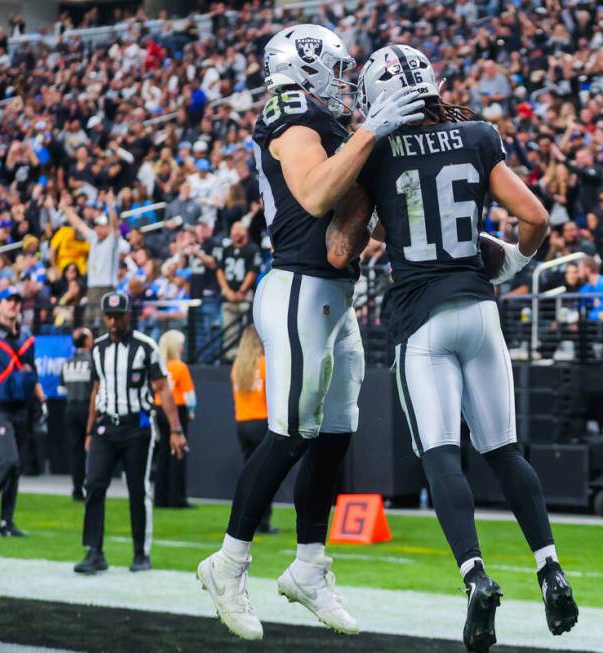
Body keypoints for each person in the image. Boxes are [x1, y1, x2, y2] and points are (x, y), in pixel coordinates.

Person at [327, 45, 578, 651]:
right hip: (480, 309)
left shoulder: (378, 150)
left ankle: (475, 576)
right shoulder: (476, 134)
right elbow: (535, 215)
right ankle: (549, 565)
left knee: (441, 457)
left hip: (422, 317)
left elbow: (341, 249)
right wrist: (514, 261)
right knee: (506, 452)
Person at [196, 24, 423, 641]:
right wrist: (372, 131)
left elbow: (347, 216)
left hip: (331, 294)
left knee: (335, 435)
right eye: (338, 67)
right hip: (297, 289)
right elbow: (315, 192)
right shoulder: (290, 109)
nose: (346, 80)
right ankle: (228, 563)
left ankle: (309, 566)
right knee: (290, 434)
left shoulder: (322, 121)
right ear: (302, 67)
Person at [74, 292, 186, 575]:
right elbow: (95, 392)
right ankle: (94, 551)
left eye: (117, 316)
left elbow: (163, 389)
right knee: (94, 485)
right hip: (105, 426)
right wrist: (89, 431)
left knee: (138, 490)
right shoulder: (97, 349)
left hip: (137, 427)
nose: (112, 322)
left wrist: (175, 429)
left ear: (128, 315)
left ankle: (140, 553)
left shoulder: (146, 347)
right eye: (108, 316)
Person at [0, 286, 46, 537]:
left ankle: (6, 521)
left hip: (21, 408)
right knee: (9, 459)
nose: (13, 305)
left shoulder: (26, 338)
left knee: (16, 467)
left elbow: (31, 370)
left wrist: (40, 398)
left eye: (17, 301)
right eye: (8, 301)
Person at [231, 327, 276, 534]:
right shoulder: (265, 365)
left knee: (249, 473)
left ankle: (246, 519)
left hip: (242, 423)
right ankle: (263, 520)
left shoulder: (238, 368)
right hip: (261, 422)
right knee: (265, 475)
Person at [64, 193, 130, 328]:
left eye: (102, 226)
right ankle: (89, 347)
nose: (98, 229)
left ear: (107, 227)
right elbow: (79, 224)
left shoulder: (112, 240)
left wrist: (110, 205)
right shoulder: (94, 238)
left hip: (107, 287)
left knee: (106, 320)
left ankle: (107, 346)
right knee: (89, 320)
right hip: (93, 287)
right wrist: (65, 208)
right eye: (97, 226)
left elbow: (114, 224)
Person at [153, 330, 196, 509]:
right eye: (180, 343)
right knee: (179, 453)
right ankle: (177, 498)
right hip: (176, 410)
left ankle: (160, 498)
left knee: (163, 453)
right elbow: (190, 396)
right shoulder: (179, 367)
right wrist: (191, 412)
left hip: (158, 409)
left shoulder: (160, 366)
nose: (182, 346)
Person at [58, 327, 94, 502]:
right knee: (92, 449)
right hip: (88, 409)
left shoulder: (68, 363)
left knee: (76, 451)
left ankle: (77, 489)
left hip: (70, 409)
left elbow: (61, 389)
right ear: (87, 341)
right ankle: (91, 486)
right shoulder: (92, 361)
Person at [215, 221, 259, 361]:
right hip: (228, 295)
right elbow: (219, 270)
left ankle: (247, 356)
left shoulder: (252, 249)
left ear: (245, 232)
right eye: (233, 230)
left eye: (238, 230)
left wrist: (242, 290)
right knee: (228, 330)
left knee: (248, 329)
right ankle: (230, 358)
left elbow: (253, 272)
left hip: (244, 296)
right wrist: (227, 290)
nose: (235, 233)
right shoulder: (226, 249)